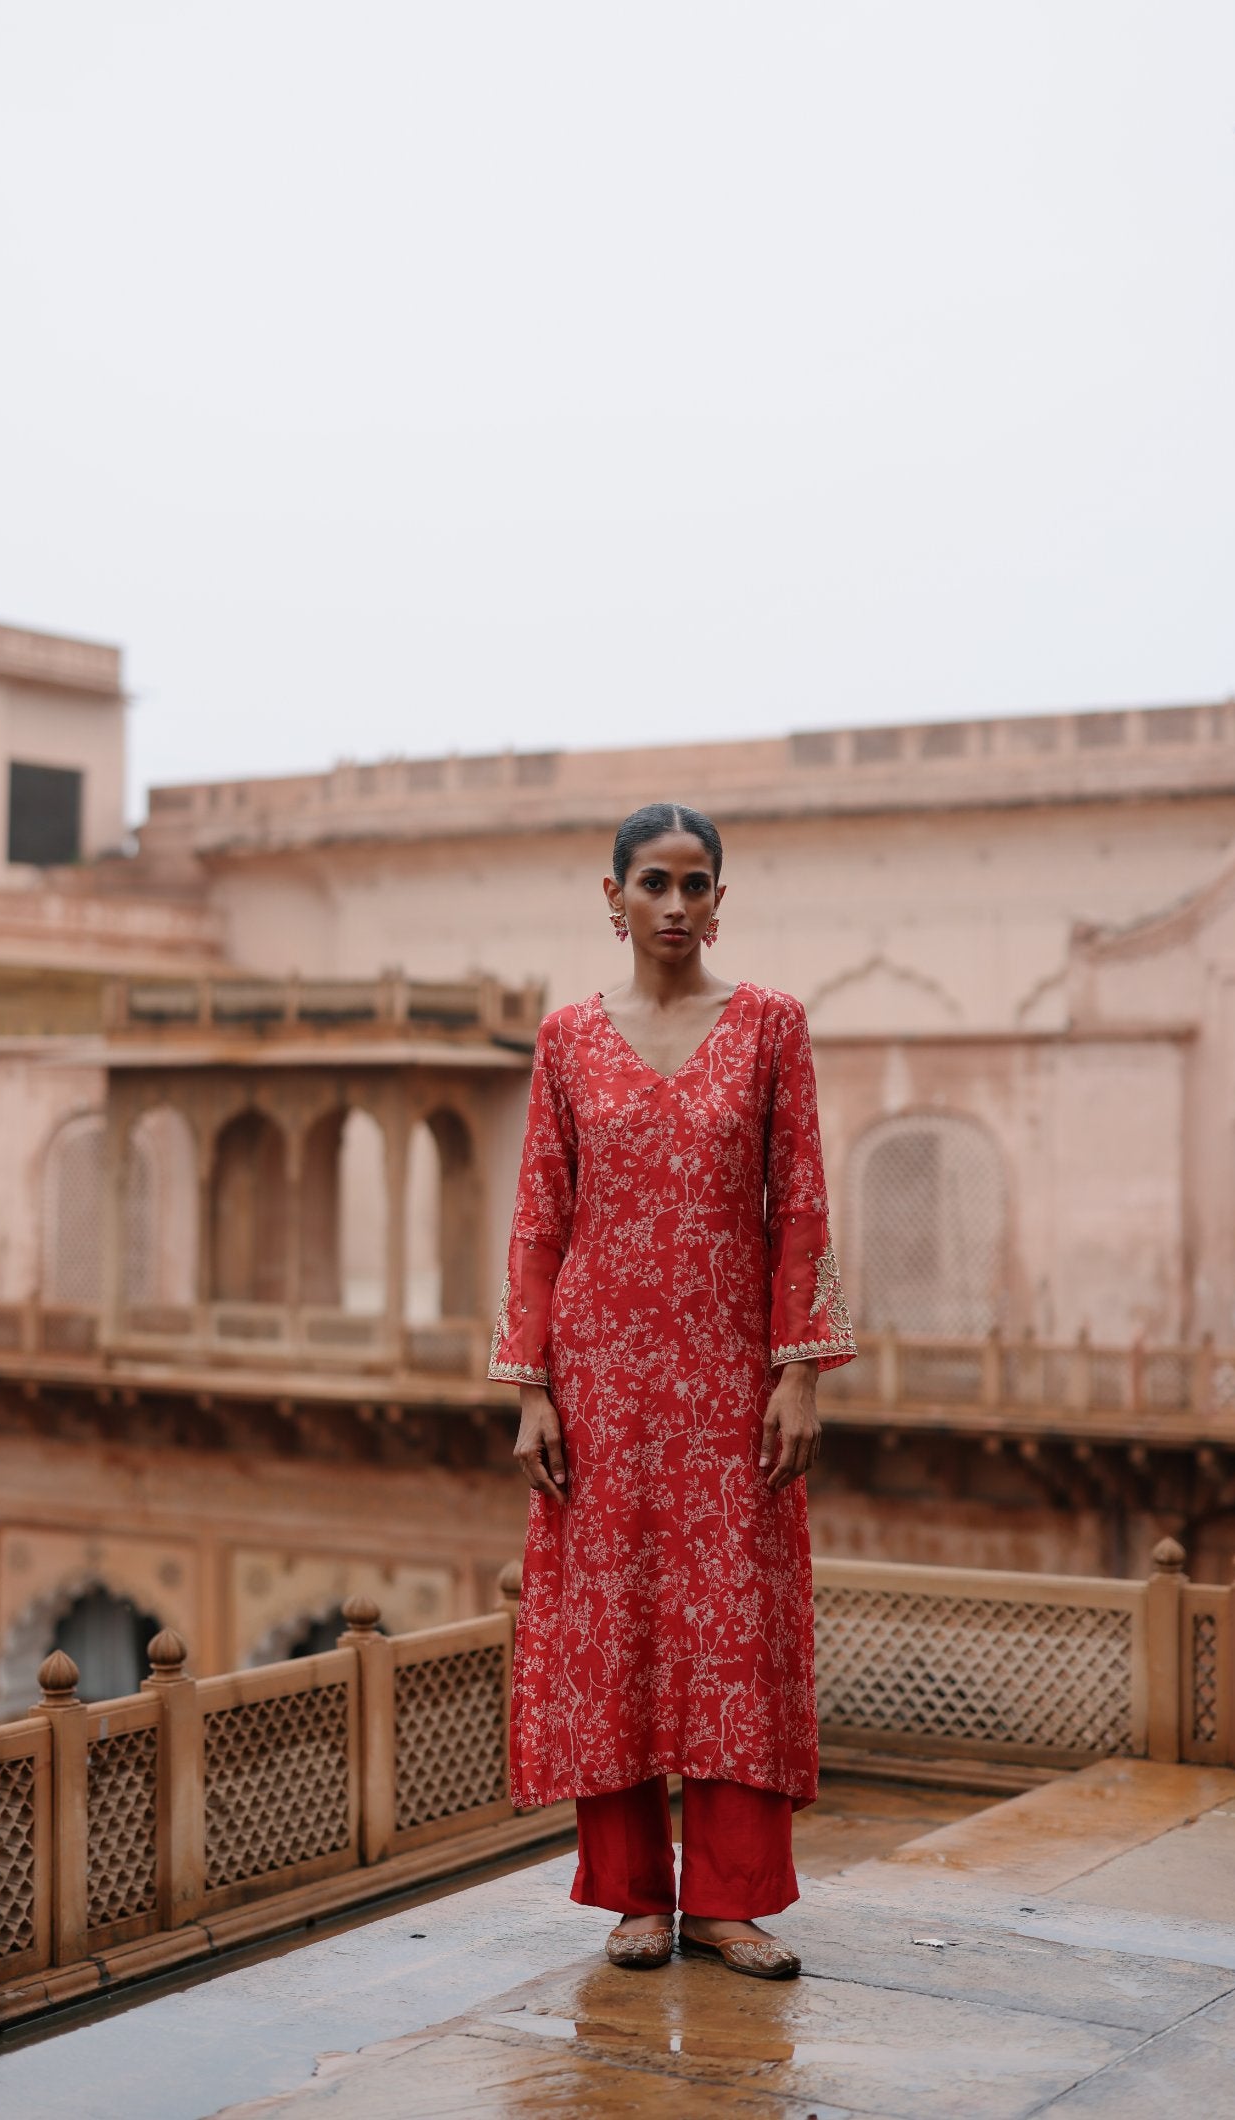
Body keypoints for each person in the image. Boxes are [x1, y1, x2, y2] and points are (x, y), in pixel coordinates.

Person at [488, 802, 855, 1978]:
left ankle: (732, 1899)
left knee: (733, 1626)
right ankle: (637, 1896)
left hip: (727, 1382)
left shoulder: (768, 1031)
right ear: (614, 899)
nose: (678, 905)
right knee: (613, 1629)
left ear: (720, 902)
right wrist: (531, 1387)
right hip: (599, 1387)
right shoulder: (566, 1042)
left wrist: (800, 1373)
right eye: (656, 882)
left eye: (698, 885)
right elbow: (540, 1222)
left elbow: (799, 1207)